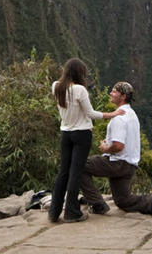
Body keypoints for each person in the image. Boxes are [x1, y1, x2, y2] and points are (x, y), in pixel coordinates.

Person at [80, 81, 152, 216]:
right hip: (130, 165)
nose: (111, 93)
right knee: (123, 201)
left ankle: (97, 204)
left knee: (79, 165)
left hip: (118, 163)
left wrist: (106, 148)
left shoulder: (119, 118)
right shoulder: (131, 114)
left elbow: (118, 146)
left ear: (122, 97)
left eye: (114, 91)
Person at [49, 58, 122, 223]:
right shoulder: (80, 90)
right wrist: (112, 114)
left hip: (65, 134)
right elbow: (91, 114)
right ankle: (71, 212)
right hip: (81, 134)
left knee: (63, 172)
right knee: (76, 172)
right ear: (78, 73)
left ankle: (54, 212)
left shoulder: (56, 86)